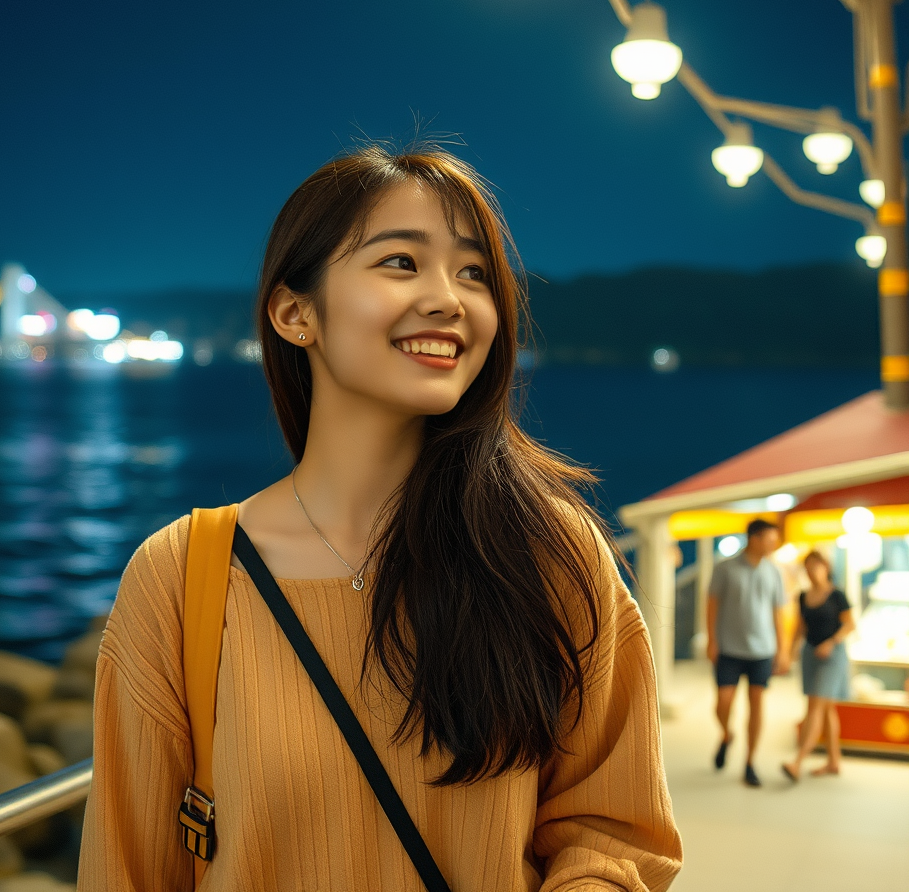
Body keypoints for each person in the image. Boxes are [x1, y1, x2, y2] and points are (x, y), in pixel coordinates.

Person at [78, 146, 682, 891]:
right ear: (296, 314)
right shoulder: (184, 575)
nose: (449, 299)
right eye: (401, 262)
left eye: (473, 273)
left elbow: (613, 830)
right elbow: (127, 868)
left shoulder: (547, 552)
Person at [706, 518, 789, 787]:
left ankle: (750, 762)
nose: (774, 544)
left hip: (762, 650)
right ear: (755, 538)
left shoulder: (775, 572)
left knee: (757, 704)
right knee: (723, 702)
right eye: (771, 539)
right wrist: (712, 640)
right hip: (729, 647)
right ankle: (727, 735)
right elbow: (712, 605)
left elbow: (779, 613)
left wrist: (783, 649)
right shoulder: (725, 568)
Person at [782, 550, 854, 781]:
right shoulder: (803, 596)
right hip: (810, 653)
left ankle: (798, 760)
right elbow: (800, 627)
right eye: (808, 567)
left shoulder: (837, 595)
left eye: (817, 566)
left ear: (826, 567)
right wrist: (790, 651)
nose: (813, 571)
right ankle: (834, 761)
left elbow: (850, 624)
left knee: (815, 706)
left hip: (832, 655)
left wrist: (831, 642)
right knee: (825, 708)